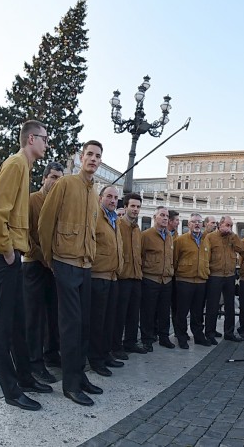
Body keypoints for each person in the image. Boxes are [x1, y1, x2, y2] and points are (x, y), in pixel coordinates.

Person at [0, 120, 52, 411]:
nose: (47, 144)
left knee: (18, 321)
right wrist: (7, 249)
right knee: (1, 325)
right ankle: (11, 390)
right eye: (45, 139)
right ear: (31, 139)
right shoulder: (15, 164)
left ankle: (25, 377)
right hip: (2, 254)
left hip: (10, 254)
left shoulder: (24, 166)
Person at [38, 139, 105, 407]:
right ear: (80, 157)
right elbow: (45, 221)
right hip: (65, 262)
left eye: (98, 156)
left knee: (83, 325)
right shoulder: (66, 183)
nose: (93, 159)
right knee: (70, 326)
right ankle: (70, 385)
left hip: (85, 264)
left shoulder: (93, 190)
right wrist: (50, 259)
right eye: (89, 154)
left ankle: (80, 376)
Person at [22, 161, 64, 384]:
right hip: (34, 265)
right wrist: (45, 258)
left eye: (60, 178)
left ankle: (50, 354)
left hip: (52, 267)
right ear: (44, 178)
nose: (56, 182)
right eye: (53, 177)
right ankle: (34, 362)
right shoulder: (31, 200)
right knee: (34, 317)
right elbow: (26, 236)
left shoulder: (59, 204)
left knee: (52, 314)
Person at [88, 186, 124, 377]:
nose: (112, 200)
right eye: (109, 196)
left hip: (113, 276)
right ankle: (95, 359)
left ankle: (105, 354)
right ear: (101, 197)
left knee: (109, 320)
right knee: (97, 322)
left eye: (116, 197)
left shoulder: (114, 219)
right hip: (98, 275)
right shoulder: (96, 216)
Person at [204, 215, 244, 343]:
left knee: (230, 306)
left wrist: (234, 236)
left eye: (230, 225)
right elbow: (206, 256)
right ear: (220, 225)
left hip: (229, 275)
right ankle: (210, 333)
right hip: (215, 275)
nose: (229, 228)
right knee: (213, 306)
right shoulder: (210, 237)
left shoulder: (233, 237)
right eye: (227, 225)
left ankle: (229, 332)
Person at [113, 192, 147, 358]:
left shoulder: (137, 229)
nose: (135, 209)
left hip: (136, 276)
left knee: (134, 313)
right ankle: (116, 345)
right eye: (132, 206)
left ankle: (130, 342)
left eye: (138, 207)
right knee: (120, 315)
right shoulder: (118, 225)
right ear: (125, 207)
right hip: (122, 277)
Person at [139, 206, 175, 351]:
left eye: (167, 216)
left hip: (166, 280)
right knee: (148, 311)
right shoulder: (146, 235)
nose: (165, 218)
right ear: (155, 218)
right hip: (150, 279)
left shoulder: (169, 236)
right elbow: (140, 256)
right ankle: (147, 339)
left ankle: (164, 337)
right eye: (162, 215)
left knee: (165, 311)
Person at [173, 213, 211, 348]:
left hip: (201, 281)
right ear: (188, 224)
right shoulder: (180, 240)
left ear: (202, 225)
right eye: (194, 222)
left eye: (199, 222)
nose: (197, 224)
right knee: (182, 312)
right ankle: (181, 337)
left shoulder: (206, 240)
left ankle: (199, 336)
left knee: (198, 312)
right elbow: (174, 260)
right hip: (184, 280)